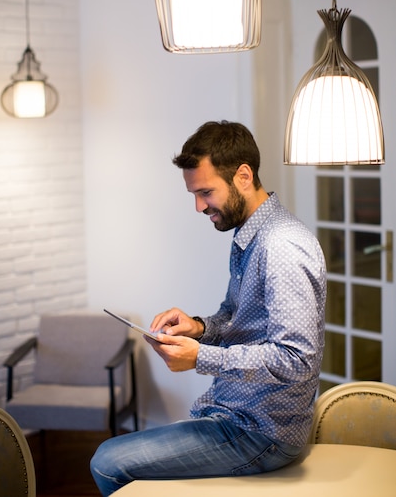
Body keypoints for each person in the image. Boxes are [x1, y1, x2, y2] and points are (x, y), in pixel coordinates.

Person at [90, 120, 326, 496]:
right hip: (233, 412)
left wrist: (200, 358)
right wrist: (198, 327)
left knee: (108, 462)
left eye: (205, 192)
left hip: (260, 432)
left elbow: (297, 360)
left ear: (244, 176)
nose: (199, 206)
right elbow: (239, 319)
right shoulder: (251, 234)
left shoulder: (281, 247)